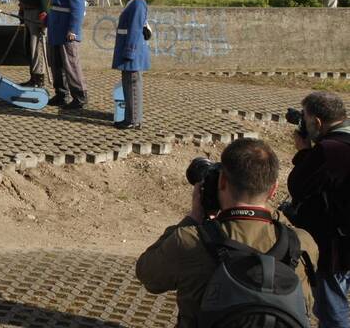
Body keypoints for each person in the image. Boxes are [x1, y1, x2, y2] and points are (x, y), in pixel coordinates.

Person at [136, 138, 318, 327]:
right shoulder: (301, 243)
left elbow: (147, 275)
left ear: (222, 181)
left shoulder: (190, 240)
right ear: (273, 190)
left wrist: (193, 217)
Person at [287, 91, 350, 327]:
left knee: (332, 309)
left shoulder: (330, 150)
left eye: (305, 118)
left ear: (318, 122)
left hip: (337, 249)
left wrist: (304, 151)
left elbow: (298, 186)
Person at [44, 0, 88, 109]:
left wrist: (73, 30)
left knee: (71, 64)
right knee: (56, 65)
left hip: (66, 31)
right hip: (55, 28)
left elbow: (78, 8)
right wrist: (47, 19)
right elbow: (56, 5)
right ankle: (61, 94)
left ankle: (80, 96)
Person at [111, 0, 151, 129]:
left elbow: (134, 30)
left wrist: (129, 52)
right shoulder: (134, 2)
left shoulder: (137, 4)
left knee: (133, 86)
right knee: (128, 86)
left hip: (131, 53)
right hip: (128, 52)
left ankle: (133, 120)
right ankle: (130, 117)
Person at [17, 0, 52, 88]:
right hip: (27, 13)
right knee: (28, 48)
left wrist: (44, 18)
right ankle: (32, 77)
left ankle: (39, 80)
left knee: (36, 48)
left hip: (37, 15)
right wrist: (21, 11)